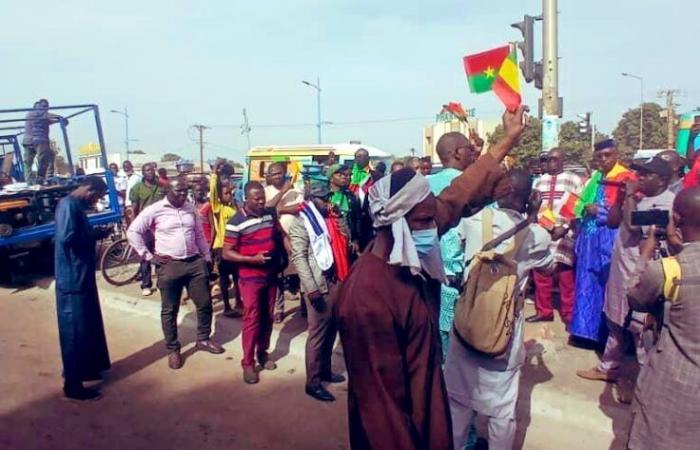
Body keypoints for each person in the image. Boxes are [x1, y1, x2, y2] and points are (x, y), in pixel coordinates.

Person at [334, 106, 528, 450]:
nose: (434, 228)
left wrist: (507, 139)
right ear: (394, 224)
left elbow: (459, 195)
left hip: (427, 410)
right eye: (425, 222)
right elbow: (381, 410)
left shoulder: (411, 241)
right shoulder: (367, 298)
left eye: (431, 220)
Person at [445, 169, 553, 450]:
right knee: (501, 413)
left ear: (499, 192)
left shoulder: (472, 222)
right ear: (530, 197)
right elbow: (548, 265)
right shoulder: (536, 235)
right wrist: (533, 217)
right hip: (503, 335)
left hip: (467, 324)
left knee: (457, 403)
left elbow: (452, 253)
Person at [577, 156, 675, 386]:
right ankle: (609, 367)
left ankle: (643, 383)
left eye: (645, 175)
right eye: (638, 173)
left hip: (641, 276)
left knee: (640, 329)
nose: (638, 178)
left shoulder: (667, 204)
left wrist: (629, 194)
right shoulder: (639, 200)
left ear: (661, 180)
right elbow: (613, 222)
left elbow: (632, 226)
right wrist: (620, 198)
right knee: (615, 321)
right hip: (621, 272)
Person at [624, 187, 700, 449]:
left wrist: (645, 255)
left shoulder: (668, 270)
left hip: (672, 387)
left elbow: (635, 298)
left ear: (676, 219)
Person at [127, 177, 224, 370]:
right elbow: (133, 231)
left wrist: (206, 257)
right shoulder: (155, 210)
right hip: (169, 265)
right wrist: (148, 256)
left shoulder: (190, 208)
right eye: (178, 191)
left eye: (185, 191)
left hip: (194, 263)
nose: (183, 195)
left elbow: (198, 234)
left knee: (204, 304)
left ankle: (203, 339)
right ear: (168, 191)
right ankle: (173, 349)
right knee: (169, 310)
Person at [570, 139, 636, 344]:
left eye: (607, 155)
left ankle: (608, 336)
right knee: (586, 283)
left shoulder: (626, 177)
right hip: (589, 239)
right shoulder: (596, 177)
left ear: (616, 155)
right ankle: (585, 333)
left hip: (610, 238)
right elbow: (580, 203)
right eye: (599, 156)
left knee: (609, 286)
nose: (603, 160)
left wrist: (598, 210)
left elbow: (627, 212)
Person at [288, 182, 349, 402]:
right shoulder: (301, 223)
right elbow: (299, 258)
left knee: (331, 328)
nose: (327, 202)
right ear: (311, 199)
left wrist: (340, 218)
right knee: (317, 334)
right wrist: (311, 288)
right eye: (323, 199)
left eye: (328, 198)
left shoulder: (329, 219)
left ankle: (324, 371)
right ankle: (312, 383)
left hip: (335, 280)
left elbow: (346, 239)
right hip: (318, 285)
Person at [223, 181, 286, 384]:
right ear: (246, 199)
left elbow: (279, 234)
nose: (261, 202)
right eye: (256, 199)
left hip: (271, 275)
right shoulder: (236, 221)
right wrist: (252, 260)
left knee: (268, 317)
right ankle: (247, 363)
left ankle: (262, 352)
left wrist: (291, 250)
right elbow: (227, 253)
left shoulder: (269, 213)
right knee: (252, 319)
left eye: (263, 198)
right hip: (250, 279)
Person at [54, 176, 112, 400]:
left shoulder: (75, 206)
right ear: (89, 189)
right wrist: (93, 234)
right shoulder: (68, 205)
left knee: (87, 327)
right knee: (74, 332)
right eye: (97, 196)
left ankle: (84, 369)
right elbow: (67, 237)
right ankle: (73, 385)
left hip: (81, 276)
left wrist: (96, 232)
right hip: (72, 280)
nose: (96, 200)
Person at [427, 131, 479, 356]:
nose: (473, 152)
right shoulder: (472, 185)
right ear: (458, 153)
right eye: (469, 148)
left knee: (435, 328)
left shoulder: (424, 184)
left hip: (428, 270)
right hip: (459, 272)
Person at [529, 148, 584, 323]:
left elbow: (578, 206)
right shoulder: (539, 181)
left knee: (565, 274)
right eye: (548, 160)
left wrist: (565, 226)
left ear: (562, 160)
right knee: (541, 272)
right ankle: (544, 311)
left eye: (555, 159)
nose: (551, 163)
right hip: (542, 230)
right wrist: (543, 226)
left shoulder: (574, 180)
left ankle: (568, 313)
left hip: (565, 232)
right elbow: (534, 206)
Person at [264, 162, 304, 321]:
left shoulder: (295, 190)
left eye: (280, 173)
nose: (277, 176)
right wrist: (283, 192)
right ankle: (278, 309)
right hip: (275, 238)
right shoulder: (266, 191)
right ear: (268, 176)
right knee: (277, 275)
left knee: (301, 271)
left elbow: (301, 206)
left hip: (296, 237)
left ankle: (305, 307)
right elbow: (267, 207)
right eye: (274, 174)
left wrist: (280, 209)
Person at [210, 162, 242, 317]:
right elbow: (213, 191)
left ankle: (239, 302)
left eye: (230, 193)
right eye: (226, 193)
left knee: (237, 276)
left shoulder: (234, 207)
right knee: (224, 278)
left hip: (235, 247)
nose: (229, 195)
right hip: (222, 246)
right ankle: (227, 306)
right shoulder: (218, 208)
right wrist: (215, 173)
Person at [130, 163, 165, 296]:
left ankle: (161, 283)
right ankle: (146, 284)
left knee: (161, 254)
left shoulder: (161, 186)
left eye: (152, 169)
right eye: (147, 170)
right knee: (145, 256)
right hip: (144, 227)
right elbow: (134, 209)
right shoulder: (137, 188)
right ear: (143, 173)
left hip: (160, 226)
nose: (150, 172)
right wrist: (134, 226)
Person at [22, 99, 65, 182]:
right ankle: (40, 179)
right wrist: (60, 118)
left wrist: (58, 121)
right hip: (38, 140)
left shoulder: (34, 116)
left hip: (28, 141)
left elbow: (48, 120)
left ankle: (31, 180)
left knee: (29, 162)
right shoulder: (37, 113)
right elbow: (46, 115)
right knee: (42, 160)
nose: (45, 109)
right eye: (43, 106)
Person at [327, 164, 362, 256]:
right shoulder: (324, 197)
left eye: (347, 175)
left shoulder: (351, 197)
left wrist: (355, 239)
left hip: (347, 239)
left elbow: (357, 220)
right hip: (329, 239)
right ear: (331, 178)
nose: (344, 177)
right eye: (340, 174)